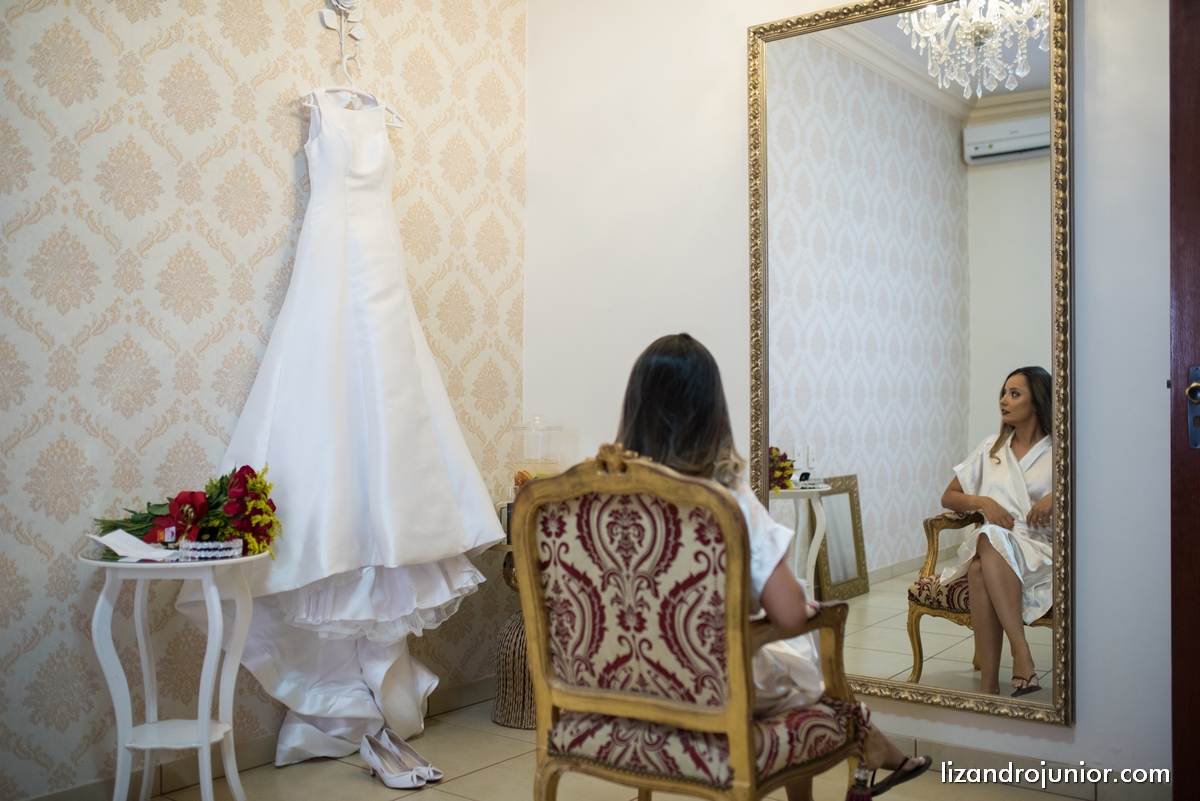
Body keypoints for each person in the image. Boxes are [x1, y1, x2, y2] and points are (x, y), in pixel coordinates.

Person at [616, 334, 930, 800]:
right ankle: (869, 744)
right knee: (805, 651)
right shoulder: (725, 499)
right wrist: (801, 603)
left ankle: (875, 746)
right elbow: (788, 614)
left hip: (624, 680)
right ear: (712, 410)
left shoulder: (597, 501)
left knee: (793, 658)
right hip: (713, 686)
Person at [938, 366, 1053, 697]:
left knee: (979, 564)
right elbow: (949, 496)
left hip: (1040, 548)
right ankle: (1012, 664)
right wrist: (984, 502)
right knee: (989, 537)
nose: (1004, 400)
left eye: (1015, 394)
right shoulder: (991, 448)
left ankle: (1000, 675)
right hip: (997, 542)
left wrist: (1058, 496)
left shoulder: (1059, 450)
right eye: (1003, 393)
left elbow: (1090, 493)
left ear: (1037, 402)